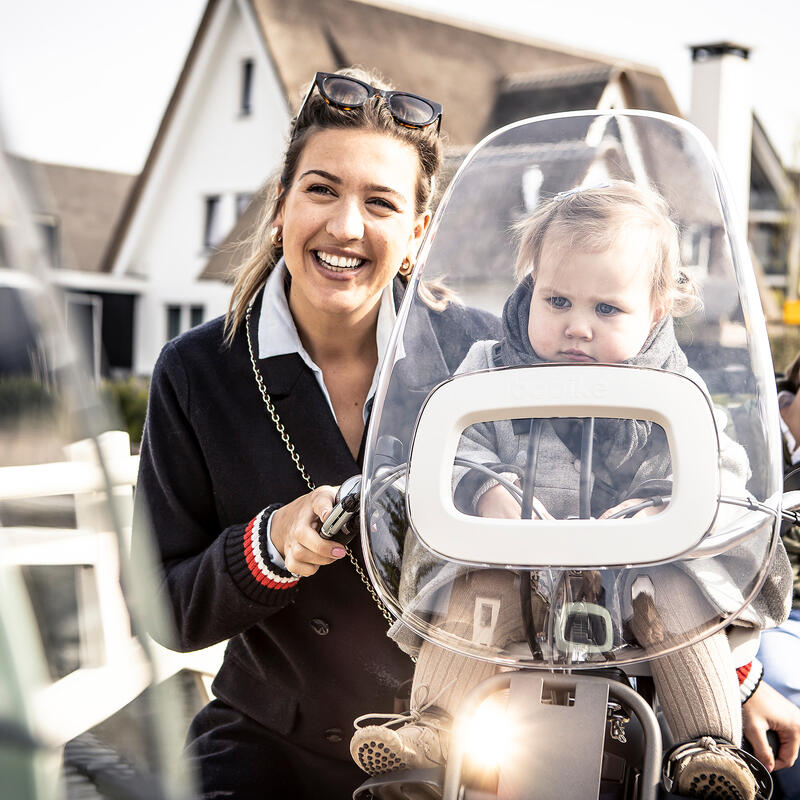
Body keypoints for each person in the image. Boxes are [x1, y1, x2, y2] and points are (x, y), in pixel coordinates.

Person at [350, 181, 793, 799]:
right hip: (516, 572)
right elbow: (447, 446)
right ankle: (432, 725)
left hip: (630, 595)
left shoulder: (675, 390)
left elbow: (718, 468)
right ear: (530, 288)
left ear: (657, 310)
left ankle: (709, 746)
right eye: (557, 300)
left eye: (607, 310)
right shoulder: (489, 367)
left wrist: (656, 507)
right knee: (475, 588)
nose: (576, 328)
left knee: (677, 592)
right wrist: (482, 492)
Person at [131, 67, 501, 799]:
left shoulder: (481, 356)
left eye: (381, 203)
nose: (346, 227)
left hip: (453, 746)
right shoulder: (198, 369)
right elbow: (162, 607)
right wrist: (268, 547)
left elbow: (583, 538)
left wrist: (731, 687)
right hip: (267, 738)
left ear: (418, 230)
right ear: (281, 205)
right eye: (322, 189)